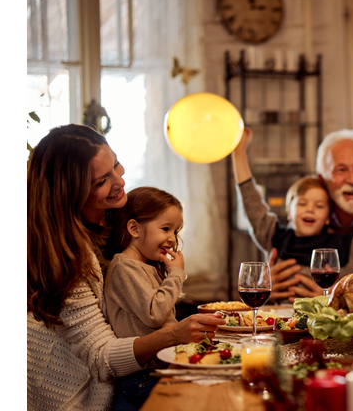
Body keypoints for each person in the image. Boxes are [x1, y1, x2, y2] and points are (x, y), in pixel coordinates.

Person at [27, 124, 225, 411]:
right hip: (78, 393)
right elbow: (101, 357)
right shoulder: (63, 256)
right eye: (101, 181)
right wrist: (173, 335)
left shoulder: (121, 218)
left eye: (116, 165)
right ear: (69, 192)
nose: (120, 181)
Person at [233, 127, 353, 300]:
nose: (351, 179)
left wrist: (336, 298)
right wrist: (265, 287)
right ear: (322, 179)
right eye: (340, 170)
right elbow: (256, 212)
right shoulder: (294, 230)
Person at [102, 187, 188, 409]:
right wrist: (177, 273)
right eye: (165, 228)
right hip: (142, 377)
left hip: (156, 369)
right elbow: (154, 314)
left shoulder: (144, 266)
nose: (172, 239)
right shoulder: (124, 267)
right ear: (134, 228)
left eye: (175, 231)